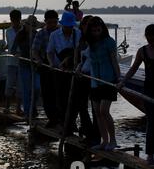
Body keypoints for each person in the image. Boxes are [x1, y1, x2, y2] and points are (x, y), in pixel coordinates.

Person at [119, 24, 154, 164]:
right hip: (149, 89)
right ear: (146, 36)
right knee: (151, 122)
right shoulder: (142, 51)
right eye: (149, 36)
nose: (152, 39)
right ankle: (150, 155)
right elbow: (133, 68)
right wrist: (123, 81)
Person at [86, 17, 120, 151]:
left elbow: (114, 61)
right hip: (95, 82)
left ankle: (113, 140)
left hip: (108, 80)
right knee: (97, 112)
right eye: (93, 30)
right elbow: (86, 59)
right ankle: (104, 141)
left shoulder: (109, 42)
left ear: (102, 29)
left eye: (98, 29)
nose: (96, 32)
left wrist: (119, 78)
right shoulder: (90, 43)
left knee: (104, 111)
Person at [47, 11, 81, 127]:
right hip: (59, 71)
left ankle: (72, 122)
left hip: (74, 71)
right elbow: (49, 52)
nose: (69, 29)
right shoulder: (54, 35)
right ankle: (63, 121)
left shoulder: (78, 34)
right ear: (62, 25)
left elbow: (79, 52)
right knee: (61, 97)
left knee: (75, 98)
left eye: (71, 26)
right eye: (67, 26)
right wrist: (51, 63)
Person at [74, 16, 101, 145]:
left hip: (94, 77)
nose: (86, 28)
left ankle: (96, 136)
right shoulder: (82, 40)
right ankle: (89, 132)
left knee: (96, 108)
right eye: (85, 25)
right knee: (81, 105)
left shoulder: (97, 40)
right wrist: (78, 66)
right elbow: (81, 58)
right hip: (83, 76)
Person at [32, 10, 60, 127]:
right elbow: (34, 50)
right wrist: (38, 59)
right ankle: (52, 118)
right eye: (50, 23)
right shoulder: (41, 34)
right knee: (47, 94)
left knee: (59, 93)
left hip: (60, 66)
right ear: (45, 22)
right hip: (45, 66)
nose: (52, 25)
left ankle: (62, 119)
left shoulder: (61, 32)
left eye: (55, 22)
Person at [12, 15, 40, 119]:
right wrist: (18, 54)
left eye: (34, 26)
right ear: (26, 25)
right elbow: (13, 50)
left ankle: (33, 107)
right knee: (26, 89)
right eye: (30, 25)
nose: (32, 27)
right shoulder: (20, 34)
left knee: (37, 88)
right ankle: (28, 111)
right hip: (24, 65)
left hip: (35, 66)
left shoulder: (37, 35)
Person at [5, 10, 23, 113]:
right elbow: (10, 45)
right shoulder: (8, 31)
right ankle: (7, 107)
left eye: (16, 20)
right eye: (13, 20)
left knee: (20, 85)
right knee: (9, 84)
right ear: (11, 20)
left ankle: (18, 108)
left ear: (19, 19)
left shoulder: (24, 31)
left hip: (21, 61)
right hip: (11, 61)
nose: (15, 22)